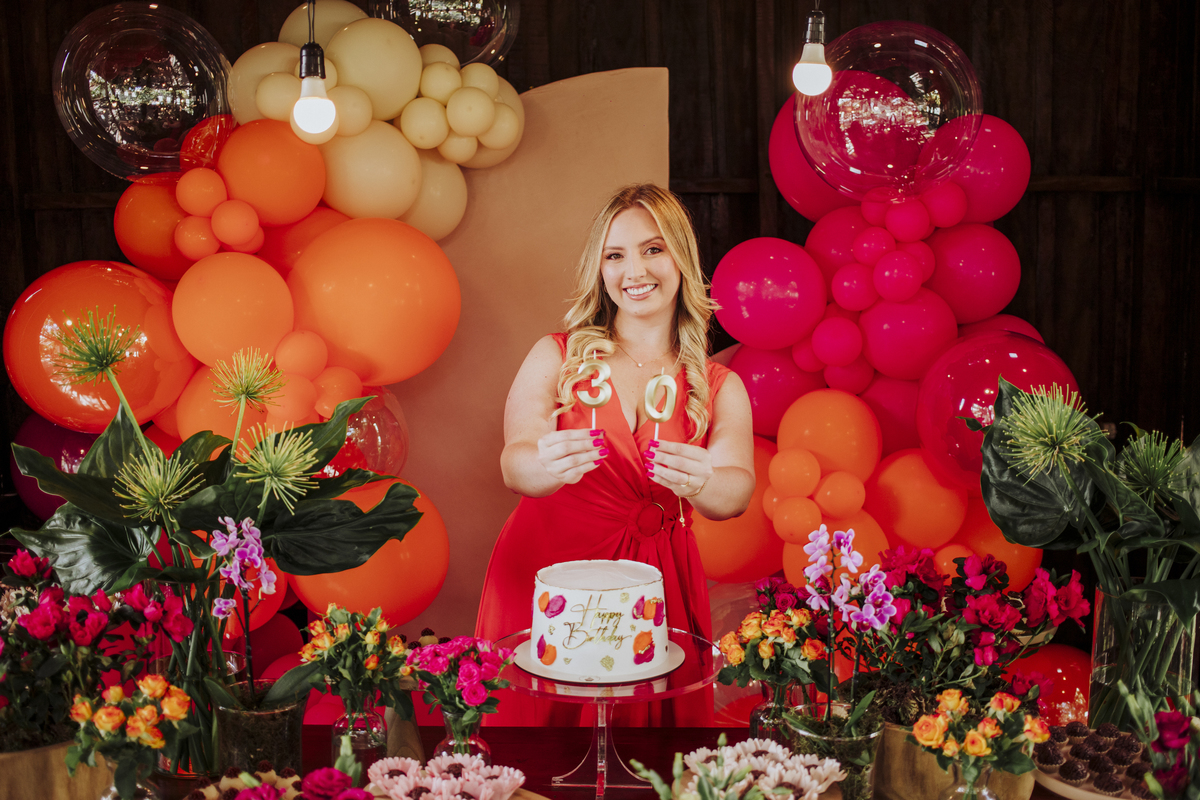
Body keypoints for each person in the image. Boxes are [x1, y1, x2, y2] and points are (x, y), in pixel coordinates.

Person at [475, 183, 755, 726]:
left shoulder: (718, 385)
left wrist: (704, 481)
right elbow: (516, 463)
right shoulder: (556, 356)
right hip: (547, 569)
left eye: (653, 249)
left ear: (681, 257)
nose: (635, 270)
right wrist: (544, 463)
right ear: (599, 269)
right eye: (615, 255)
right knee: (538, 743)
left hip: (656, 581)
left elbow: (735, 492)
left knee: (645, 748)